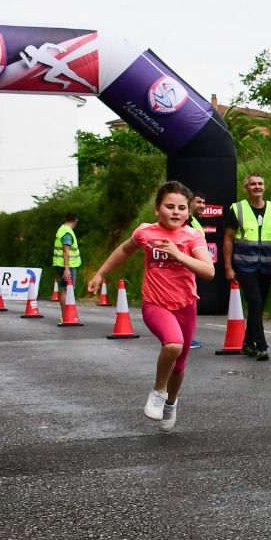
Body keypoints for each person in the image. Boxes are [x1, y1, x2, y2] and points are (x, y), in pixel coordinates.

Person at [86, 182, 215, 432]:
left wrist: (178, 255)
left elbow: (208, 271)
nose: (176, 212)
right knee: (173, 344)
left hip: (186, 305)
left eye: (181, 208)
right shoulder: (146, 233)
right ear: (158, 209)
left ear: (188, 213)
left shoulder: (192, 236)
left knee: (179, 366)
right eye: (169, 206)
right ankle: (158, 391)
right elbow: (124, 250)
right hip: (155, 304)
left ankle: (171, 402)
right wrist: (101, 273)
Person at [223, 174, 271, 361]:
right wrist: (228, 267)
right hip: (244, 264)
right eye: (253, 184)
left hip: (268, 265)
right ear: (246, 188)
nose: (257, 187)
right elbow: (228, 239)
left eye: (260, 184)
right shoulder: (237, 209)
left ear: (264, 187)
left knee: (257, 306)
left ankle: (247, 343)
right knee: (255, 303)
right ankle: (261, 345)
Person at [186, 194, 207, 349]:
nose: (202, 205)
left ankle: (186, 337)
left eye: (204, 203)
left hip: (193, 267)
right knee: (186, 303)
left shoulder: (195, 221)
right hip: (186, 268)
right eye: (198, 202)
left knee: (189, 302)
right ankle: (185, 338)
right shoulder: (187, 221)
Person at [52, 212, 81, 299]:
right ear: (76, 220)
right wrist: (67, 268)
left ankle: (65, 312)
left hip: (61, 264)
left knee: (65, 290)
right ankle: (67, 312)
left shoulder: (62, 229)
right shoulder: (67, 233)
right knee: (68, 290)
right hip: (67, 266)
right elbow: (66, 250)